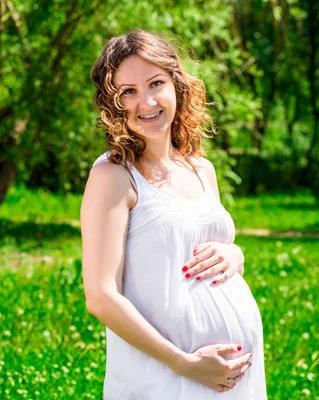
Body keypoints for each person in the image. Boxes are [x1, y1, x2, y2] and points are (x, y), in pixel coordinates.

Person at [80, 30, 267, 399]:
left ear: (177, 86)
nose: (146, 101)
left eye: (155, 83)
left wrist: (236, 255)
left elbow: (198, 259)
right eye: (128, 91)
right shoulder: (114, 175)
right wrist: (185, 363)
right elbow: (100, 295)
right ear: (112, 103)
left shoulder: (201, 169)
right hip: (165, 378)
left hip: (233, 380)